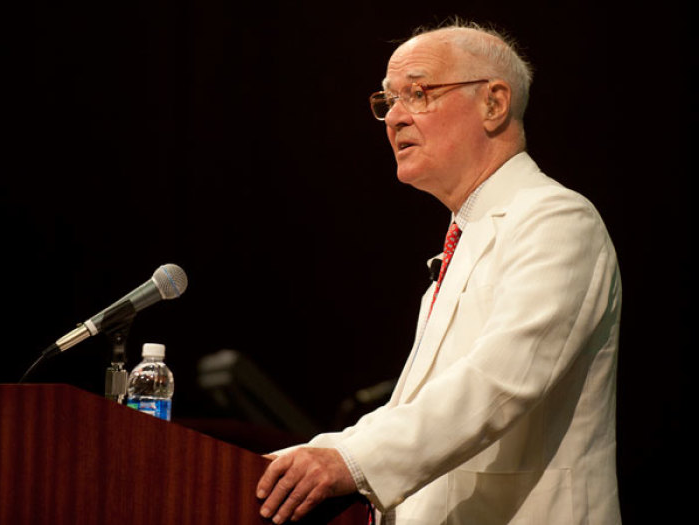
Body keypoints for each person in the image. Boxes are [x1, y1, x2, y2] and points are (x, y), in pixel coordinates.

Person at [256, 21, 622, 525]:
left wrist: (353, 462)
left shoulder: (557, 220)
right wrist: (316, 453)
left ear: (494, 103)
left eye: (418, 93)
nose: (395, 118)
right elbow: (418, 407)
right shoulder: (464, 239)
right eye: (388, 101)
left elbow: (501, 379)